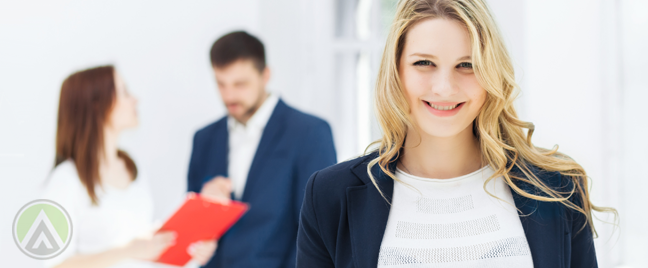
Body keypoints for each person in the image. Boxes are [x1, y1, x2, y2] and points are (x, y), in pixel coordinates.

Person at [296, 0, 617, 267]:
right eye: (424, 63)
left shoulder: (557, 188)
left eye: (467, 65)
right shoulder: (330, 196)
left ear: (491, 71)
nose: (445, 88)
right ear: (396, 71)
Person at [187, 31, 337, 268]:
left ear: (265, 75)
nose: (229, 95)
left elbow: (317, 232)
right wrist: (204, 208)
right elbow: (193, 237)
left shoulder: (309, 133)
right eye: (221, 83)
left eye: (240, 84)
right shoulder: (203, 139)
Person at [42, 66, 216, 268]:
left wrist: (190, 249)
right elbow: (53, 265)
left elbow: (141, 250)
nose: (135, 100)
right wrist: (127, 251)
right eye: (124, 92)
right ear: (97, 106)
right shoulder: (66, 180)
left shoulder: (132, 168)